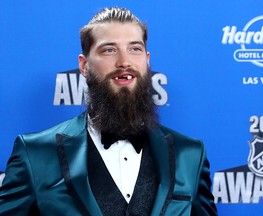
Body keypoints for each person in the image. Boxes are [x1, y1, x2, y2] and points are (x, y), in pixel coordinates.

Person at [0, 7, 217, 216]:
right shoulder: (36, 153)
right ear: (84, 65)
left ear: (147, 60)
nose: (124, 62)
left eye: (135, 49)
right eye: (109, 50)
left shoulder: (190, 154)